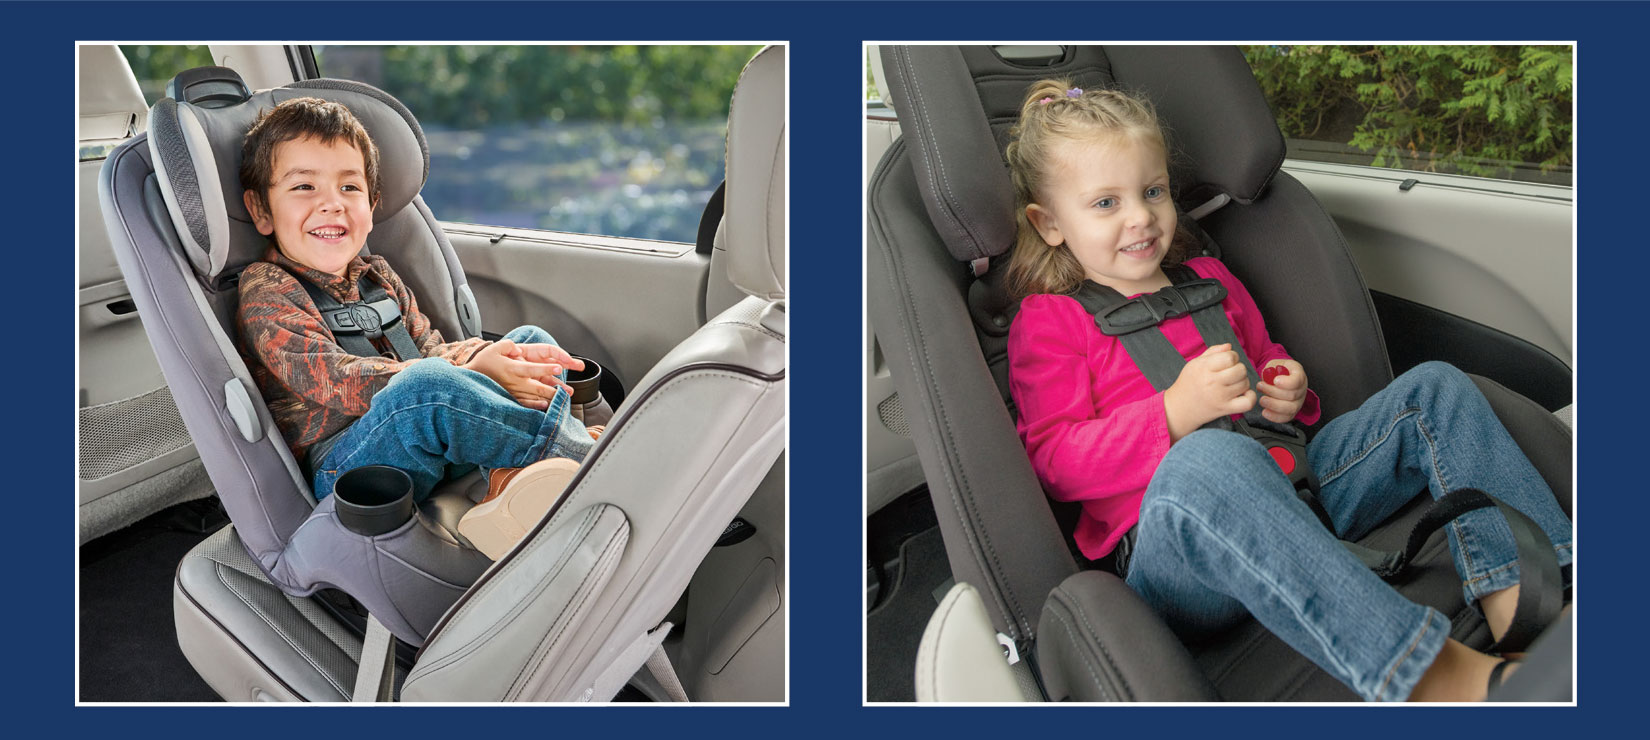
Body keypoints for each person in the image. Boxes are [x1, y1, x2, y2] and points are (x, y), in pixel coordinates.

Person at [1003, 79, 1571, 701]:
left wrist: (1290, 390)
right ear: (1049, 223)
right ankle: (1431, 675)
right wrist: (1172, 412)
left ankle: (1534, 605)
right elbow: (1055, 461)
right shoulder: (1052, 322)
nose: (1140, 216)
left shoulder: (1212, 279)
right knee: (1207, 460)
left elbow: (1267, 360)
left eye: (1153, 191)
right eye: (1105, 204)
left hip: (1291, 483)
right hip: (1178, 548)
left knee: (1434, 389)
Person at [235, 96, 598, 523]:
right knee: (427, 386)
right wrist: (471, 373)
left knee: (528, 342)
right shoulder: (266, 288)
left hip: (421, 430)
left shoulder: (380, 277)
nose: (332, 203)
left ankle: (513, 472)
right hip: (345, 464)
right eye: (304, 186)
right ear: (261, 209)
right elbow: (333, 381)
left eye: (349, 187)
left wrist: (479, 358)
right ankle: (586, 461)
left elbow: (430, 348)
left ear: (370, 208)